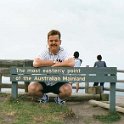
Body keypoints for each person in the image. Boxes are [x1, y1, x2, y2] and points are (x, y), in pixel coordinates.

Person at [28, 29, 75, 105]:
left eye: (56, 41)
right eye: (51, 41)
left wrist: (58, 64)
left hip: (59, 81)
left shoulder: (64, 51)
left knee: (68, 90)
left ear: (60, 42)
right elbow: (35, 63)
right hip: (44, 81)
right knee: (32, 88)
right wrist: (52, 62)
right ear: (48, 42)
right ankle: (44, 98)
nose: (53, 43)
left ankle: (59, 99)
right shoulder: (44, 51)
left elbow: (72, 62)